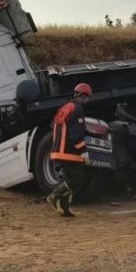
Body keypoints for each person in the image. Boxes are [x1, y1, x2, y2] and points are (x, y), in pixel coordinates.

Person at [46, 82, 93, 217]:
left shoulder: (64, 108)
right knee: (78, 180)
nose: (88, 101)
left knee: (69, 178)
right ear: (83, 95)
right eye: (88, 97)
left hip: (58, 150)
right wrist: (83, 150)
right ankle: (54, 196)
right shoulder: (77, 109)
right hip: (69, 152)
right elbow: (75, 134)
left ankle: (65, 208)